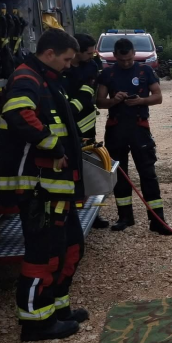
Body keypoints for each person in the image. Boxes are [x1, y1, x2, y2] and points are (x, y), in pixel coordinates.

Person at [0, 29, 87, 341]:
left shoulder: (46, 78)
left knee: (72, 247)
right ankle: (36, 323)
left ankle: (58, 309)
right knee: (44, 254)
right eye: (66, 59)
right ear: (50, 53)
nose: (68, 65)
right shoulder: (27, 77)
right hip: (40, 188)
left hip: (57, 187)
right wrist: (55, 148)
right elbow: (19, 113)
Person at [96, 37, 171, 236]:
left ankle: (157, 220)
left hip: (139, 128)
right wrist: (114, 100)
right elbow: (100, 102)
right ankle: (125, 217)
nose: (127, 63)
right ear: (115, 56)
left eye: (129, 59)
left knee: (148, 174)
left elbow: (158, 97)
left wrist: (141, 101)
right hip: (116, 129)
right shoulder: (108, 73)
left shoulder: (144, 70)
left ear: (133, 54)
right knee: (120, 175)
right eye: (122, 60)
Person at [63, 33, 108, 229]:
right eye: (88, 53)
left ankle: (93, 211)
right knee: (68, 171)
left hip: (85, 126)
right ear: (76, 52)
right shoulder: (62, 69)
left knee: (89, 169)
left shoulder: (91, 66)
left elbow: (89, 92)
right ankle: (68, 211)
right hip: (64, 127)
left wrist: (71, 108)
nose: (92, 56)